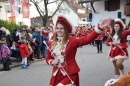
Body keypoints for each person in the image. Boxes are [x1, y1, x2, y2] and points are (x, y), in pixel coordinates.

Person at [45, 16, 111, 86]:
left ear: (66, 30)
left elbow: (87, 39)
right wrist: (52, 61)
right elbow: (48, 58)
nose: (59, 30)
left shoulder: (72, 40)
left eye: (61, 28)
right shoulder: (52, 43)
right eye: (57, 28)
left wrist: (99, 28)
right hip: (56, 75)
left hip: (70, 74)